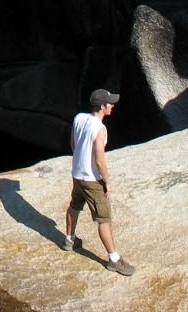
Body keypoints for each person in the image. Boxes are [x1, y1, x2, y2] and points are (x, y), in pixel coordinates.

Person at [64, 88, 136, 276]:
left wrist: (79, 163)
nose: (112, 106)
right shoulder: (100, 129)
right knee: (104, 219)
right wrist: (107, 183)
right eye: (110, 103)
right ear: (102, 106)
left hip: (77, 174)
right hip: (91, 180)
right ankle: (114, 259)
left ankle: (69, 240)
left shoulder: (79, 118)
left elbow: (73, 144)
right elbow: (99, 160)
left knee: (74, 205)